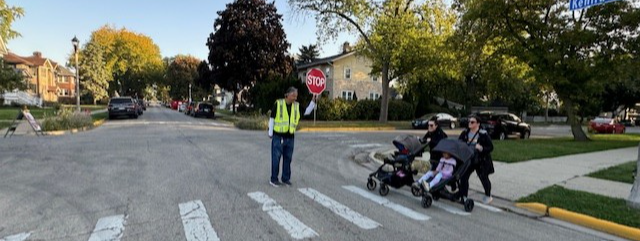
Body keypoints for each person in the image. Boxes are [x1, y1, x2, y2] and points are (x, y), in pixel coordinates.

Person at [267, 87, 316, 187]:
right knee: (276, 158)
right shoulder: (279, 104)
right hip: (278, 136)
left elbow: (306, 111)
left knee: (288, 159)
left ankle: (285, 179)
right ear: (287, 95)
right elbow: (272, 118)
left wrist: (313, 101)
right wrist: (270, 132)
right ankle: (274, 179)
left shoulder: (296, 106)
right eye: (293, 96)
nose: (295, 98)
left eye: (296, 96)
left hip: (290, 137)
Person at [458, 115, 495, 204]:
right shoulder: (465, 133)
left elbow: (490, 147)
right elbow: (459, 143)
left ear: (478, 123)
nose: (469, 123)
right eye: (469, 122)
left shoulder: (483, 134)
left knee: (483, 178)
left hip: (480, 160)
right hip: (469, 159)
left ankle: (488, 195)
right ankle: (464, 196)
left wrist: (481, 148)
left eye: (472, 122)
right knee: (464, 177)